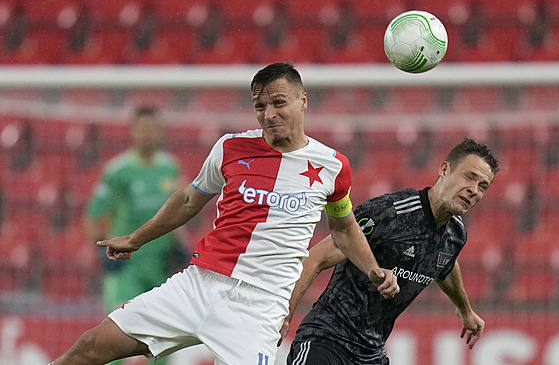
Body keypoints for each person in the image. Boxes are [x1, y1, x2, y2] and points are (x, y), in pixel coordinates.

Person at [49, 62, 399, 365]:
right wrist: (137, 238)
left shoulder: (332, 166)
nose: (269, 114)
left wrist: (373, 269)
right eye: (260, 106)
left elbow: (344, 228)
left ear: (303, 101)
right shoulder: (231, 147)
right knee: (89, 347)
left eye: (279, 103)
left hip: (259, 306)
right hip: (197, 284)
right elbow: (190, 199)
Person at [283, 137, 500, 365]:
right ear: (444, 169)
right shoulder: (390, 213)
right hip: (327, 340)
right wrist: (284, 316)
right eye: (469, 177)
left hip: (371, 354)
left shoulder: (455, 235)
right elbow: (315, 258)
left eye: (482, 186)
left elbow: (445, 265)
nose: (474, 190)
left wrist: (465, 310)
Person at [84, 106, 185, 364]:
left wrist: (178, 243)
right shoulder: (118, 171)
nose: (148, 135)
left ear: (160, 133)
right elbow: (94, 215)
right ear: (132, 132)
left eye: (153, 129)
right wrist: (99, 250)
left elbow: (178, 212)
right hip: (126, 268)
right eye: (143, 129)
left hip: (159, 267)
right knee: (115, 337)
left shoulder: (170, 168)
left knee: (163, 342)